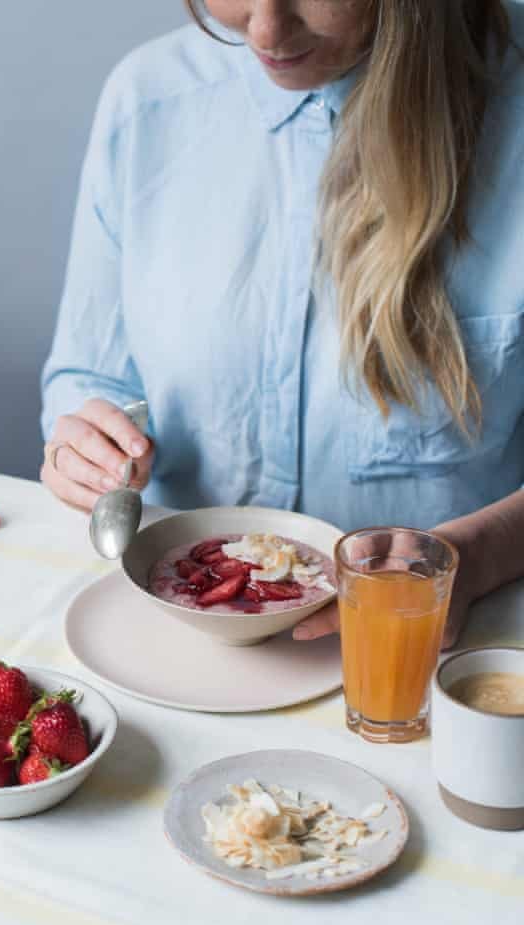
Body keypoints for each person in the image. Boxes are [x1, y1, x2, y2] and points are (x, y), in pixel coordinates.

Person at [40, 0, 524, 645]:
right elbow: (90, 373)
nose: (264, 31)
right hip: (175, 636)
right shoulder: (148, 99)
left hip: (434, 650)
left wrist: (476, 555)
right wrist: (82, 447)